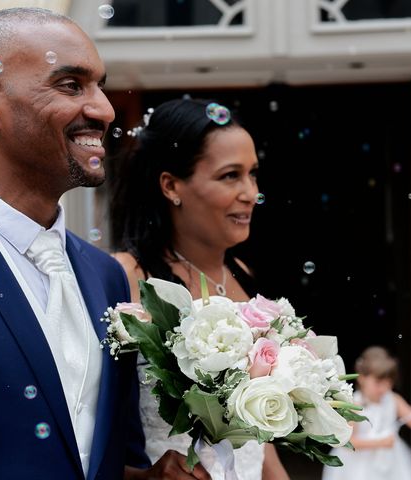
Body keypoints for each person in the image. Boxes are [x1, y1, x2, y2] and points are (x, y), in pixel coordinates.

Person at [0, 8, 208, 480]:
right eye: (71, 85)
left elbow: (101, 454)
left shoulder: (104, 274)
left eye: (99, 85)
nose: (105, 109)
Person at [111, 98, 289, 479]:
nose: (250, 192)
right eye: (230, 175)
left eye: (253, 174)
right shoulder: (124, 277)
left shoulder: (242, 274)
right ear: (171, 185)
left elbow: (258, 440)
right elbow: (89, 422)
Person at [321, 346, 411, 480]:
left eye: (388, 382)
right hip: (357, 464)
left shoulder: (393, 399)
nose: (384, 388)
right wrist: (380, 443)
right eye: (378, 382)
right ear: (362, 378)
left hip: (391, 462)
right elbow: (348, 442)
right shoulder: (355, 404)